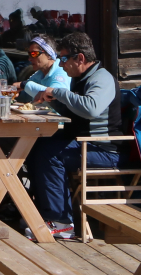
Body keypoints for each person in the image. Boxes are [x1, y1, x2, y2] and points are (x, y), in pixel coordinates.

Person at [25, 31, 116, 240]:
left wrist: (58, 93)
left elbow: (91, 109)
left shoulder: (102, 78)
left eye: (64, 59)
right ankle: (44, 213)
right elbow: (73, 113)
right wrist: (53, 101)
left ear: (80, 58)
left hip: (105, 149)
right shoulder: (80, 78)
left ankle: (62, 223)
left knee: (49, 153)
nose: (61, 64)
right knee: (36, 147)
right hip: (85, 144)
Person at [17, 36, 70, 104]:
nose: (29, 59)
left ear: (48, 54)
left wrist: (23, 85)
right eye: (29, 54)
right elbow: (27, 95)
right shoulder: (40, 73)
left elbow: (56, 97)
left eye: (34, 54)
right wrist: (16, 93)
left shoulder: (61, 72)